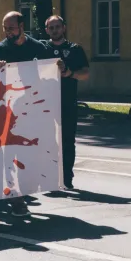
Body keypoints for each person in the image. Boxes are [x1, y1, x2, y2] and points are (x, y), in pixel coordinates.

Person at [0, 11, 51, 216]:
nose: (8, 32)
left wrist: (57, 67)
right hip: (7, 114)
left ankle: (20, 193)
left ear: (22, 26)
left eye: (12, 28)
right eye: (5, 28)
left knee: (28, 156)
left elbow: (50, 76)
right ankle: (16, 199)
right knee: (9, 156)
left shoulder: (38, 48)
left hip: (32, 112)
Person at [41, 15, 89, 190]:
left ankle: (67, 178)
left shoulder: (75, 49)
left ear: (64, 28)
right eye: (51, 28)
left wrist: (69, 73)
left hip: (68, 103)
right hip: (45, 104)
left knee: (68, 141)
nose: (54, 30)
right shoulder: (41, 48)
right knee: (47, 141)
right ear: (47, 30)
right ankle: (48, 178)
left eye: (57, 27)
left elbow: (85, 73)